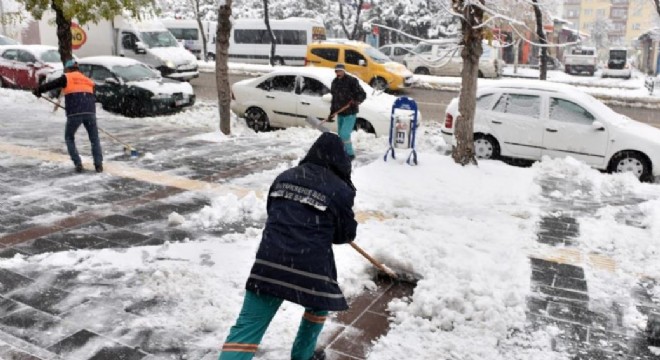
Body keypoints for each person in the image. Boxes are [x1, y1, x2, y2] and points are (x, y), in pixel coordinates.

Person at [218, 132, 358, 360]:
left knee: (248, 326)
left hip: (269, 263)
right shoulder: (340, 190)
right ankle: (303, 355)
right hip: (311, 268)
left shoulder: (285, 177)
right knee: (317, 306)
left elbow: (273, 211)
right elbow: (344, 235)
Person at [33, 58, 103, 173]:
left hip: (75, 113)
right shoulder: (88, 80)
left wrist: (38, 90)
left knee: (69, 137)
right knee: (94, 139)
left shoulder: (67, 77)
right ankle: (98, 165)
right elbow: (91, 96)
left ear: (68, 69)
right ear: (77, 68)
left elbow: (51, 84)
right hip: (90, 112)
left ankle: (78, 163)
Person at [329, 63, 366, 161]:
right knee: (341, 134)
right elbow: (334, 99)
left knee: (344, 134)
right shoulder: (335, 82)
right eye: (337, 71)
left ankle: (350, 154)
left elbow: (362, 94)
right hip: (340, 112)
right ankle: (343, 152)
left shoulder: (352, 81)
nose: (338, 72)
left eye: (340, 70)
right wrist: (332, 113)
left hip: (350, 112)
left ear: (344, 71)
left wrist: (356, 101)